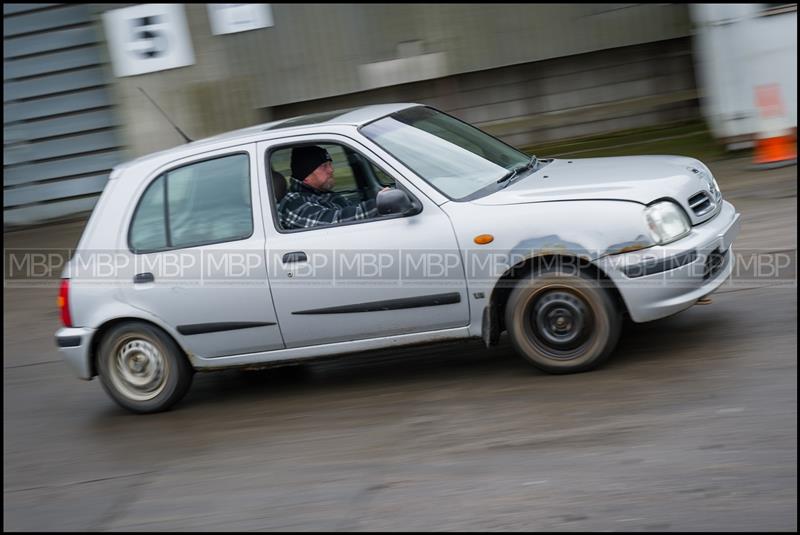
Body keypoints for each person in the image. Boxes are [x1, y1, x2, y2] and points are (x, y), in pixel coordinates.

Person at [277, 145, 380, 230]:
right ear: (306, 175)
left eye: (330, 164)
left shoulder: (324, 193)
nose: (331, 170)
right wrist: (378, 204)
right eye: (324, 166)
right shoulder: (293, 203)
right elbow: (335, 222)